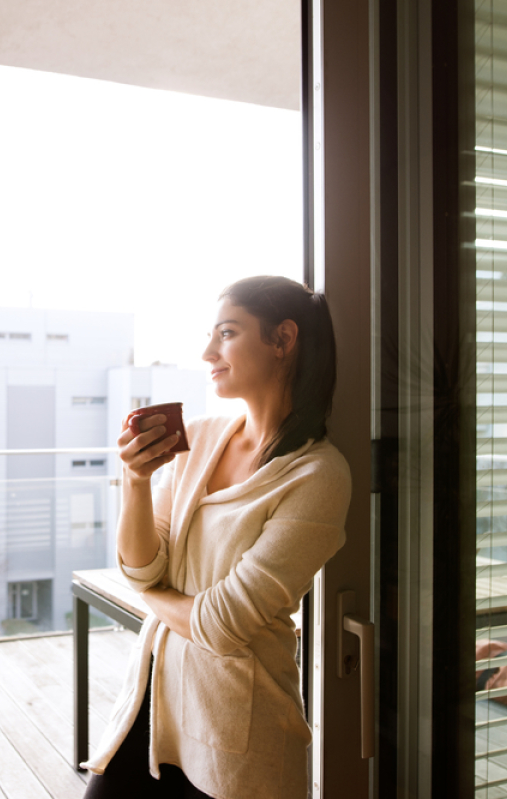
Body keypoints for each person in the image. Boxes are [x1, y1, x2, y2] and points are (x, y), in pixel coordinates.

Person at [81, 276, 352, 799]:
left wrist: (150, 598)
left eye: (226, 333)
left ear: (283, 339)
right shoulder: (201, 438)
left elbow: (221, 624)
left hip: (240, 734)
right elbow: (142, 567)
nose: (208, 351)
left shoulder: (317, 476)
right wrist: (136, 483)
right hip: (153, 698)